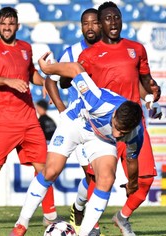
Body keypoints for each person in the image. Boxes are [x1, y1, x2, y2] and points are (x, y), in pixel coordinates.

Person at [10, 52, 144, 236]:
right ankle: (21, 224)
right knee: (51, 171)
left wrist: (133, 183)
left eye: (122, 133)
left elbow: (132, 160)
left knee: (106, 179)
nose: (117, 134)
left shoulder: (136, 133)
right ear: (114, 115)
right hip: (77, 122)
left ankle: (84, 233)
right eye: (116, 127)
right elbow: (75, 69)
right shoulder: (97, 100)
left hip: (101, 140)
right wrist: (48, 68)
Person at [0, 6, 61, 231]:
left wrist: (47, 83)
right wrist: (9, 81)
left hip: (29, 119)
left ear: (17, 26)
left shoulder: (25, 48)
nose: (7, 27)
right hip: (3, 121)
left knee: (45, 168)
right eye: (3, 24)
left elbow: (31, 74)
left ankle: (50, 216)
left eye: (11, 24)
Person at [77, 2, 161, 235]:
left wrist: (153, 95)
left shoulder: (136, 49)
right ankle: (90, 226)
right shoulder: (88, 55)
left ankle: (122, 217)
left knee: (143, 182)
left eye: (116, 17)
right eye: (107, 19)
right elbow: (76, 83)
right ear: (101, 23)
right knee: (99, 179)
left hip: (134, 126)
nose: (113, 22)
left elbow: (146, 83)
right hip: (104, 127)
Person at [44, 8, 102, 233]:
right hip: (80, 122)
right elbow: (50, 81)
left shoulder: (109, 50)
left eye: (94, 23)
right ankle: (91, 225)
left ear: (101, 25)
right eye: (85, 23)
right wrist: (62, 111)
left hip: (104, 122)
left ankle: (78, 207)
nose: (90, 27)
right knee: (94, 172)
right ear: (81, 27)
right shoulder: (73, 52)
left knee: (98, 174)